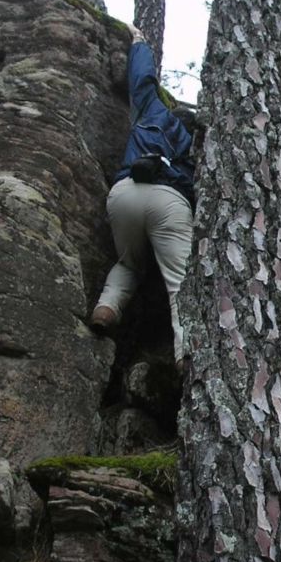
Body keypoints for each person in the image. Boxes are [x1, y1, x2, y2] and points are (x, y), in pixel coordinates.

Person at [89, 24, 196, 369]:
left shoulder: (151, 113)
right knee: (180, 283)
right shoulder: (193, 148)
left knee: (128, 262)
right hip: (169, 202)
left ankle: (106, 309)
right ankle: (186, 353)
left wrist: (140, 44)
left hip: (124, 193)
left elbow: (142, 81)